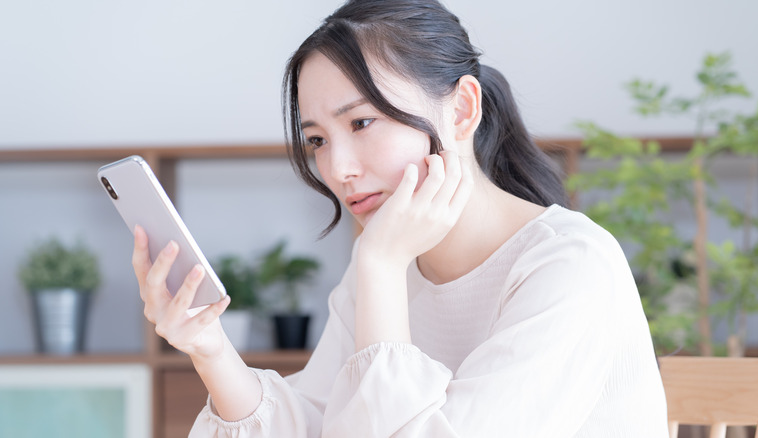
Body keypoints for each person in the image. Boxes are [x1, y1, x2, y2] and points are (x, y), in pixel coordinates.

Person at [132, 0, 669, 436]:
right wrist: (210, 348)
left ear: (461, 110)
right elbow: (320, 424)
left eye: (363, 122)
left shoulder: (569, 266)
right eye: (317, 139)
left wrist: (383, 266)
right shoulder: (383, 263)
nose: (338, 168)